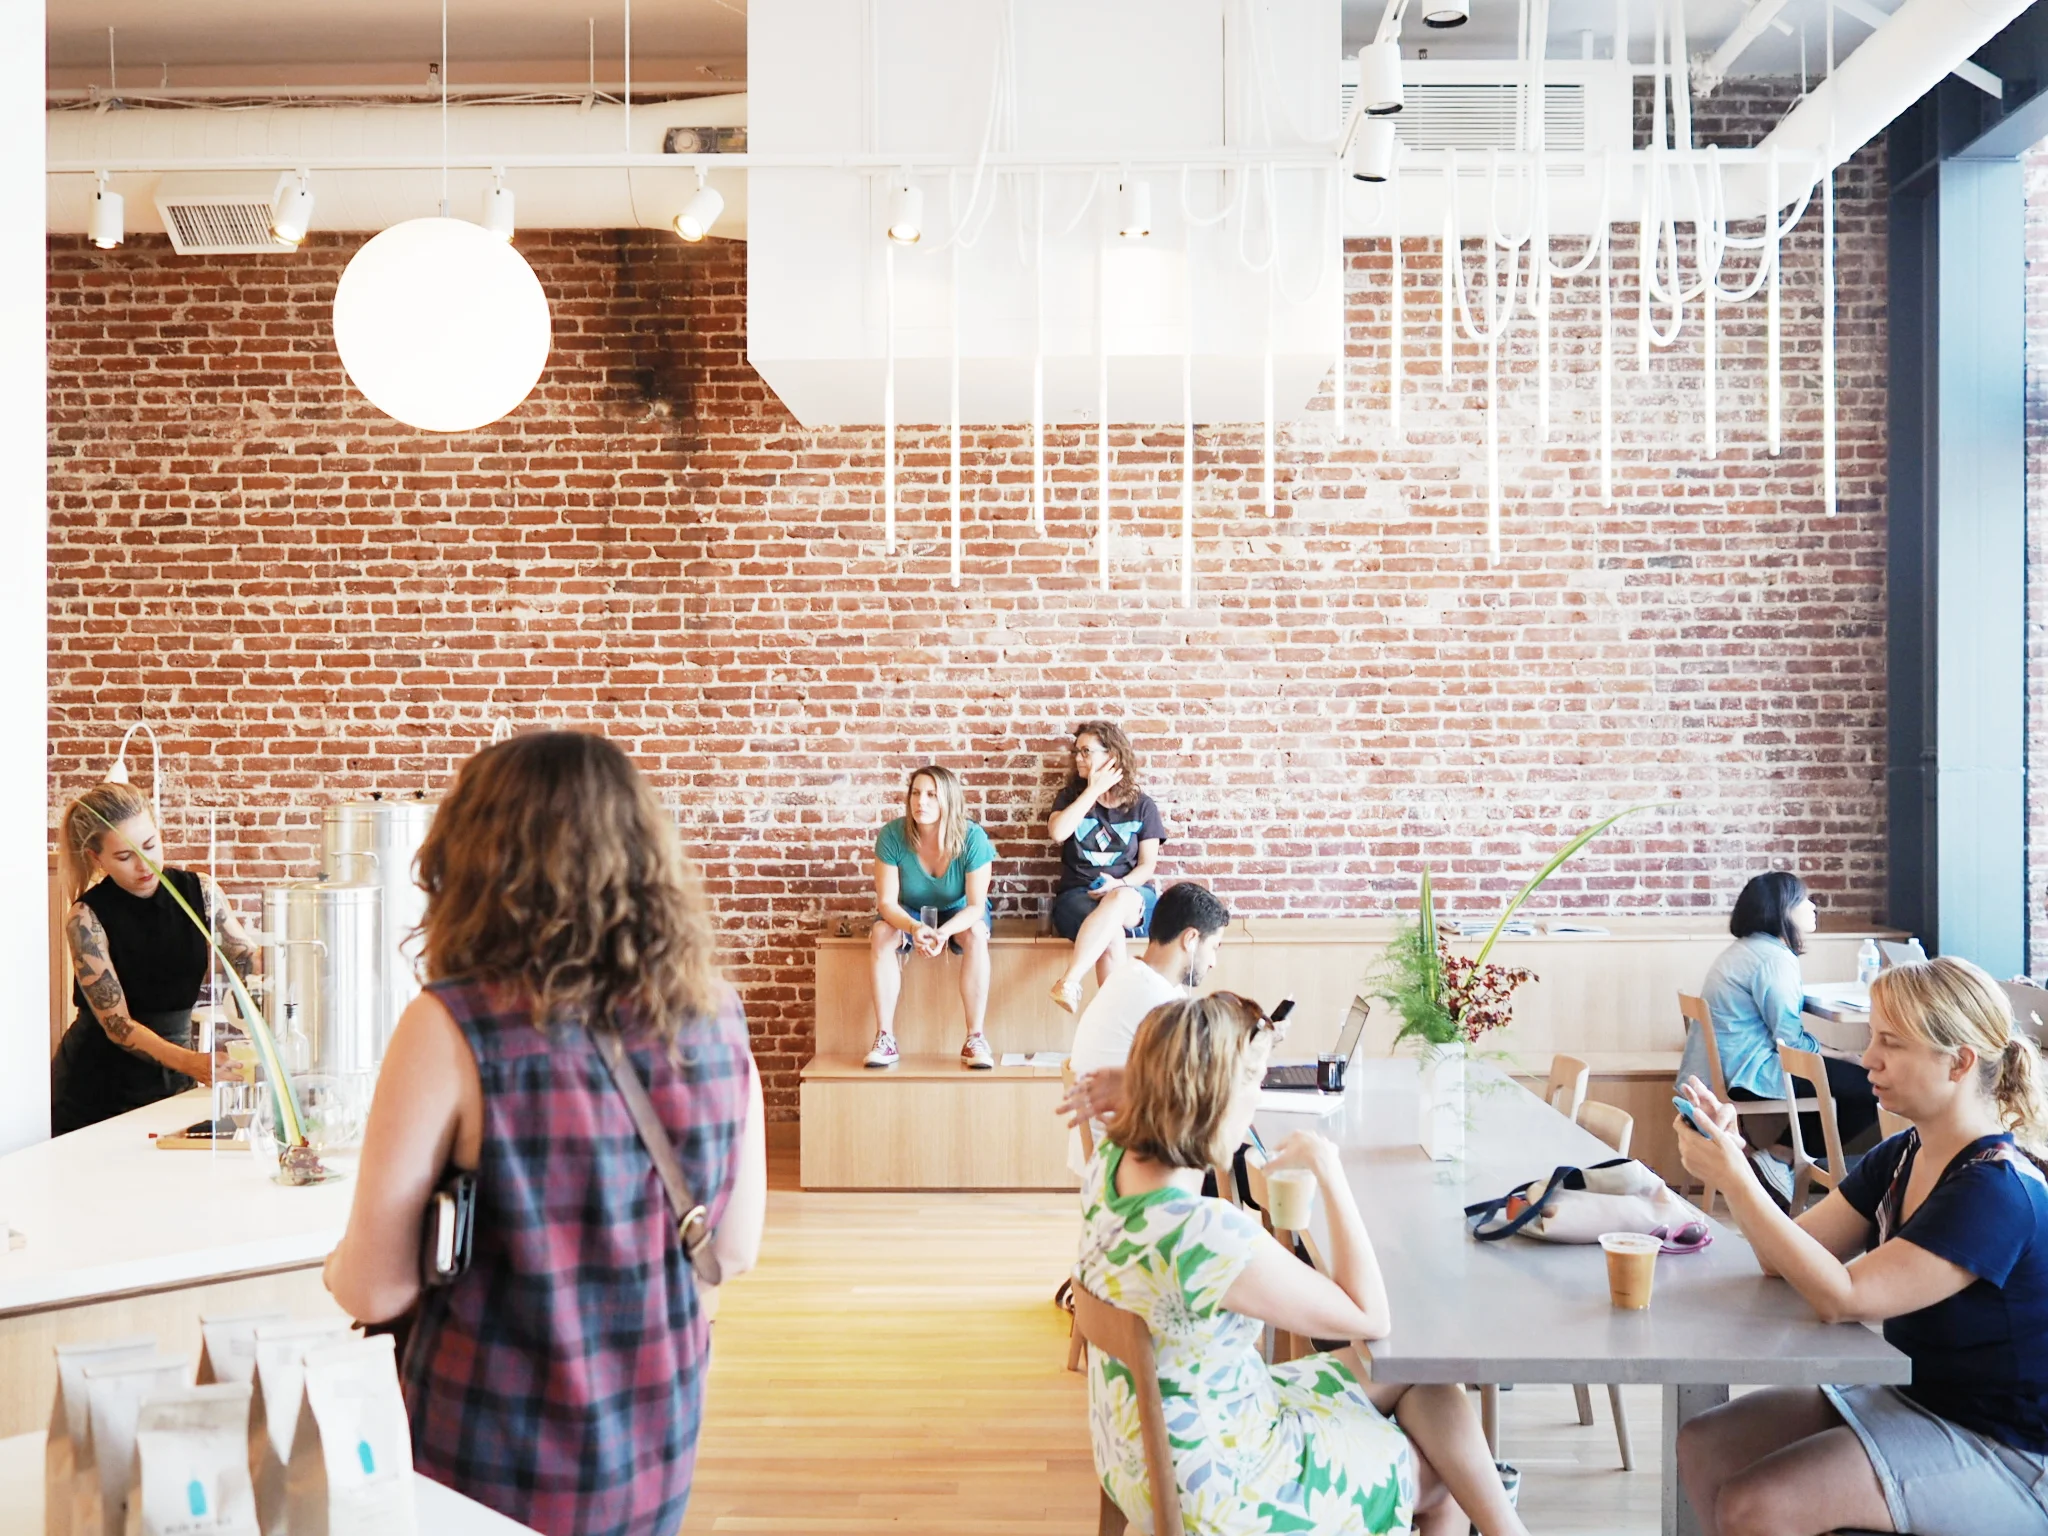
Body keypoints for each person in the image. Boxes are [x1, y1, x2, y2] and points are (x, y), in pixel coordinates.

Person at [323, 731, 767, 1536]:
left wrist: (333, 1265)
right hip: (653, 1438)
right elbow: (731, 1253)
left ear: (478, 860)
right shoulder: (717, 1015)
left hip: (487, 1454)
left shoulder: (453, 1026)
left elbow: (374, 1289)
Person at [1075, 992, 1528, 1536]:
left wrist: (1143, 1079)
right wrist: (1329, 1172)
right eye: (1255, 1082)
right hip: (1229, 1485)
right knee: (1444, 1479)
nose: (1257, 1100)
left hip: (1144, 1455)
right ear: (1214, 1096)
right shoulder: (1205, 1235)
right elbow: (1369, 1318)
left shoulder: (1108, 1169)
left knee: (1426, 1381)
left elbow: (1180, 1084)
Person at [1672, 956, 2048, 1536]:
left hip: (2008, 1448)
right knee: (1705, 1442)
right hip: (1917, 1398)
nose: (1867, 1058)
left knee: (1758, 1504)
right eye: (1873, 1038)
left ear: (1960, 1061)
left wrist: (1735, 1180)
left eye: (1891, 1043)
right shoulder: (1902, 1155)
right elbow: (1783, 1260)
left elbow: (1842, 1297)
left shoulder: (1997, 1191)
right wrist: (1736, 1158)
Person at [50, 782, 259, 1135]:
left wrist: (266, 995)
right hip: (98, 1087)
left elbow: (245, 956)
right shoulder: (86, 917)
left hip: (173, 1075)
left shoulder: (201, 892)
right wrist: (192, 1064)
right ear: (96, 858)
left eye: (150, 845)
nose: (144, 864)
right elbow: (118, 1026)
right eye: (124, 856)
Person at [1677, 870, 1878, 1202]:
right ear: (1783, 909)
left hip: (1722, 1069)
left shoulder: (1745, 950)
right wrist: (1844, 1055)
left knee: (1847, 1077)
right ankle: (1781, 1156)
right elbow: (1790, 1044)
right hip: (1750, 1073)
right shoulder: (1774, 959)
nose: (1813, 906)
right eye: (1804, 900)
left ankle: (1778, 1157)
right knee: (1870, 1086)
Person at [1065, 881, 1230, 1176]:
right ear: (1191, 939)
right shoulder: (1156, 1000)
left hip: (1118, 1152)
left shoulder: (1135, 978)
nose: (1214, 962)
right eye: (1214, 947)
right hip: (1134, 1162)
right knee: (1245, 1161)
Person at [863, 765, 997, 1070]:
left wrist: (944, 933)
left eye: (932, 795)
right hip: (907, 909)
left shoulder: (973, 837)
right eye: (916, 793)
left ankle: (975, 1038)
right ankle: (885, 1037)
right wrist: (913, 927)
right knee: (882, 932)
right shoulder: (892, 835)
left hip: (960, 912)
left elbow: (976, 906)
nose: (920, 802)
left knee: (976, 934)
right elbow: (885, 902)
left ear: (948, 800)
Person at [1046, 720, 1168, 1013]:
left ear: (1112, 755)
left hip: (1132, 896)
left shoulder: (1142, 806)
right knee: (1109, 931)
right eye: (1076, 752)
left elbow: (1147, 865)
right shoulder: (1069, 798)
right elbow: (1058, 833)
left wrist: (1120, 885)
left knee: (1120, 898)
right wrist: (1092, 791)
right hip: (1078, 898)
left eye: (1086, 751)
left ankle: (1071, 980)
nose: (1078, 758)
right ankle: (1118, 1022)